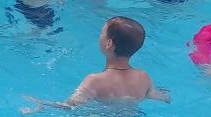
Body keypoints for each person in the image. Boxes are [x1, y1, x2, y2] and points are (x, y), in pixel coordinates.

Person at [24, 16, 170, 111]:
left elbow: (69, 106)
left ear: (108, 43)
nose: (99, 36)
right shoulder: (143, 77)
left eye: (102, 33)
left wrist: (41, 104)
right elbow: (156, 95)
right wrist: (166, 96)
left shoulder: (95, 81)